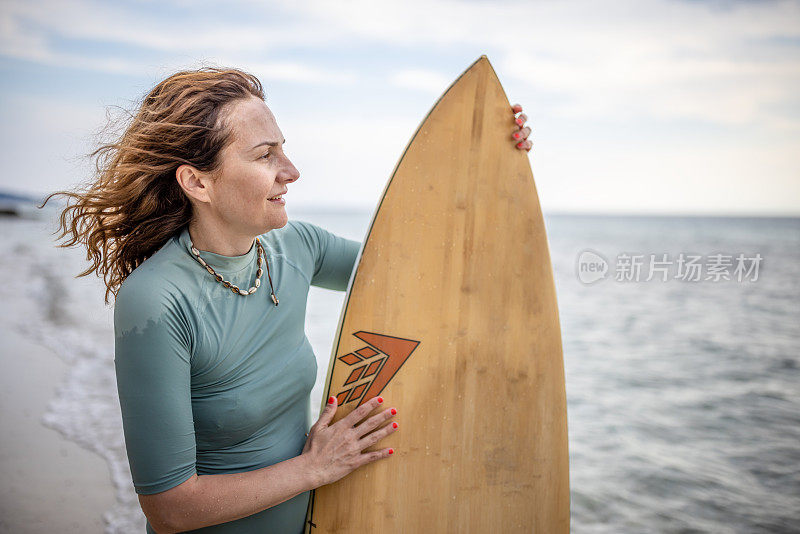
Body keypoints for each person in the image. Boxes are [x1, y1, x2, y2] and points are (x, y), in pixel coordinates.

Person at [42, 66, 533, 533]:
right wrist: (314, 469)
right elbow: (170, 508)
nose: (292, 171)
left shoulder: (297, 247)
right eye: (264, 155)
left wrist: (490, 167)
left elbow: (427, 271)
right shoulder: (157, 301)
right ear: (197, 182)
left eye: (284, 150)